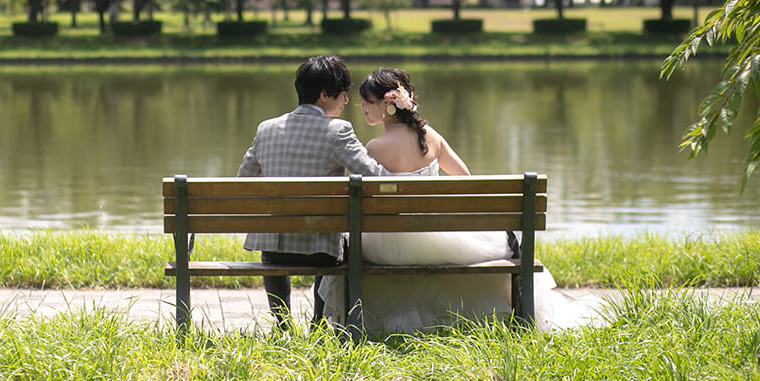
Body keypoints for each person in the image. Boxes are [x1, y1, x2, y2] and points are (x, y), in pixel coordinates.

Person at [322, 66, 597, 333]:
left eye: (366, 101)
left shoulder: (375, 147)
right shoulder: (431, 138)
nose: (361, 106)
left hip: (388, 246)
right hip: (438, 236)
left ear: (386, 105)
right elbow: (465, 180)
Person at [236, 54, 386, 328]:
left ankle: (283, 326)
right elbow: (374, 176)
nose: (345, 101)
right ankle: (317, 324)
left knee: (276, 244)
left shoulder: (266, 128)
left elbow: (243, 179)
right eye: (342, 94)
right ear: (323, 95)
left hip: (273, 248)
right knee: (334, 241)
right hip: (320, 250)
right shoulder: (338, 131)